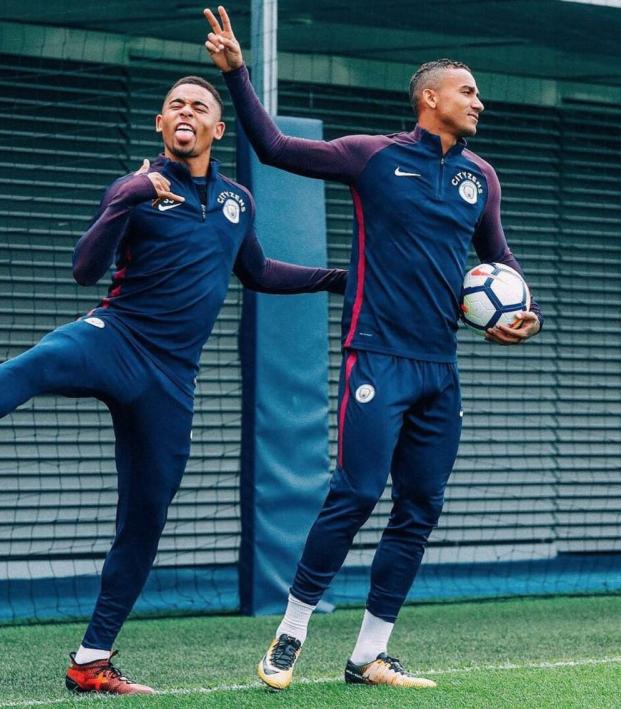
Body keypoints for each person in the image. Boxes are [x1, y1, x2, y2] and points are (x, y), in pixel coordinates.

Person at [204, 5, 543, 691]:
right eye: (467, 90)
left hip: (437, 371)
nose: (479, 100)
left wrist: (516, 317)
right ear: (429, 97)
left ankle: (368, 654)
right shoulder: (372, 157)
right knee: (355, 492)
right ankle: (291, 630)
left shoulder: (482, 177)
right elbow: (273, 148)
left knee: (419, 507)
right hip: (376, 356)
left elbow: (500, 267)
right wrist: (238, 73)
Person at [0, 75, 346, 695]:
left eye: (200, 106)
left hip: (170, 380)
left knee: (145, 521)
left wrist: (335, 278)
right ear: (161, 125)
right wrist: (127, 195)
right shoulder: (137, 187)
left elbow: (259, 271)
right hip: (113, 338)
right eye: (175, 105)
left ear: (217, 129)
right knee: (24, 370)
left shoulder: (238, 200)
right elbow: (84, 270)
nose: (187, 111)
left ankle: (92, 662)